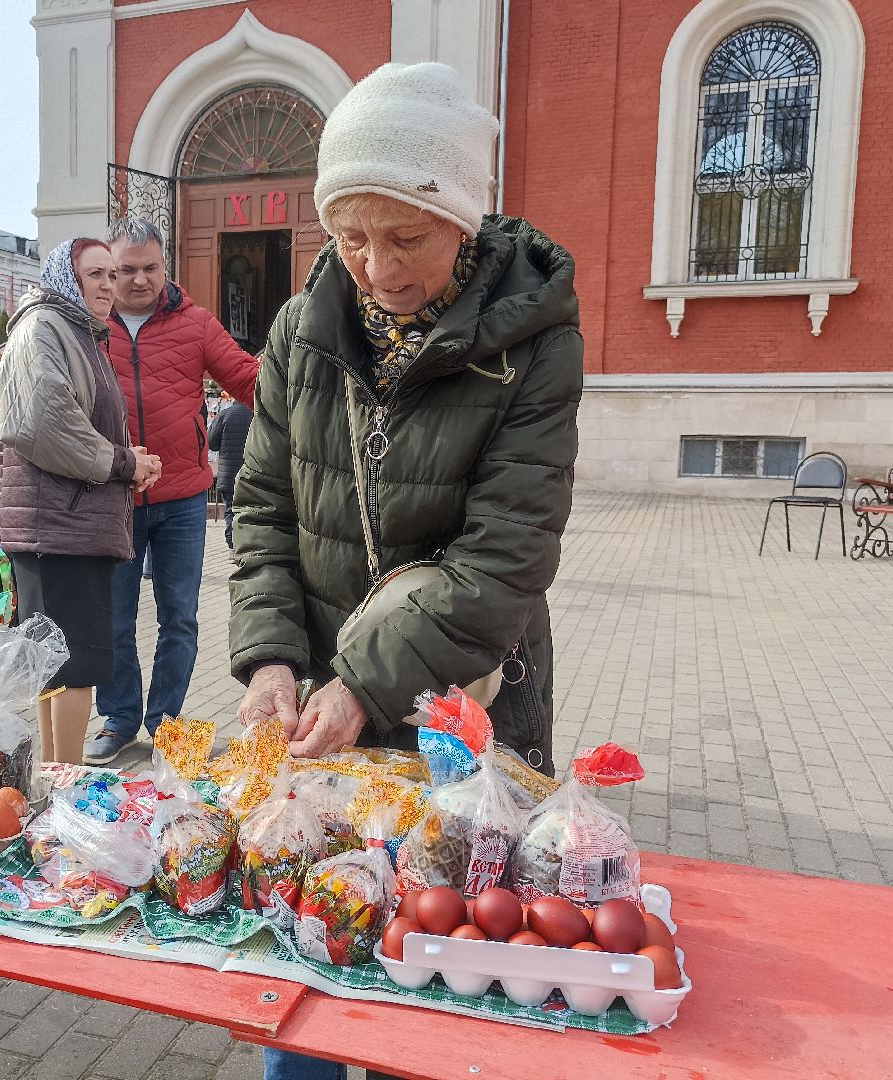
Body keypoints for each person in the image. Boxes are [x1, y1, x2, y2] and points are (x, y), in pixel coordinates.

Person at [224, 63, 583, 1080]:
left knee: (438, 961)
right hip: (322, 698)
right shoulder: (301, 331)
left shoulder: (532, 341)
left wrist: (361, 683)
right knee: (309, 951)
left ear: (461, 220)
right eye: (350, 236)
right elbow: (264, 511)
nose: (377, 267)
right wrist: (270, 658)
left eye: (407, 237)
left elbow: (507, 557)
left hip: (468, 695)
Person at [85, 217, 259, 765]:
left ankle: (166, 723)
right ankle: (119, 719)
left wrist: (303, 375)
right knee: (114, 618)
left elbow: (249, 380)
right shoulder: (85, 327)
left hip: (182, 498)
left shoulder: (196, 324)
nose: (139, 280)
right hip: (113, 497)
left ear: (166, 267)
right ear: (109, 271)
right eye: (126, 269)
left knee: (179, 617)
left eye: (150, 268)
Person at [0, 238, 162, 764]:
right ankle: (65, 781)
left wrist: (128, 460)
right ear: (66, 278)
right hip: (60, 528)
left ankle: (53, 776)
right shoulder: (45, 327)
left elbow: (78, 424)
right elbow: (48, 424)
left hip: (63, 523)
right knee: (75, 667)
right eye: (95, 274)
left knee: (56, 664)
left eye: (112, 275)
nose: (109, 286)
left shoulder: (75, 331)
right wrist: (123, 463)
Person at [207, 392, 253, 550]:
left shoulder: (225, 415)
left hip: (229, 475)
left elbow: (212, 443)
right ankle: (249, 546)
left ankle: (233, 546)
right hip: (252, 474)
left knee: (230, 511)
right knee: (252, 511)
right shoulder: (257, 415)